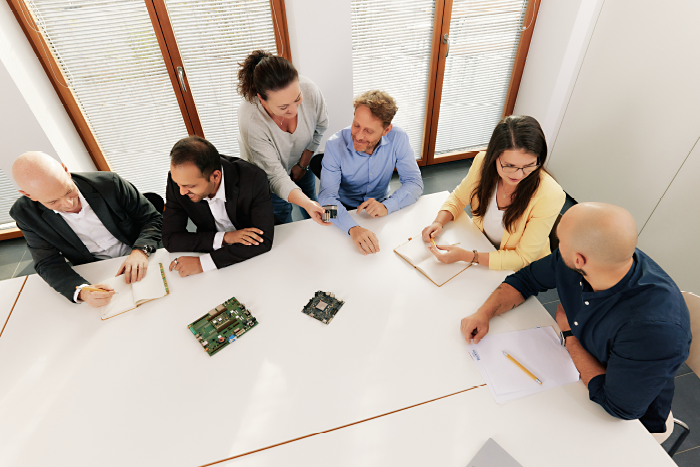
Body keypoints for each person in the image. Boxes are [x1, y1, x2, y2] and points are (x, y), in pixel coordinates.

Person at [460, 202, 691, 434]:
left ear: (579, 259)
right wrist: (484, 313)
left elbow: (619, 407)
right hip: (577, 374)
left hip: (624, 423)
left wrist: (570, 336)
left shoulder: (654, 330)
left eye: (560, 242)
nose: (557, 248)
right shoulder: (599, 258)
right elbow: (526, 280)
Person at [10, 151, 162, 306]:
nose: (69, 204)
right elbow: (47, 262)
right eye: (54, 202)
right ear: (29, 195)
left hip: (146, 256)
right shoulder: (25, 214)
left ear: (65, 170)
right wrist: (81, 291)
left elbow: (152, 219)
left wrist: (140, 250)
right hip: (95, 273)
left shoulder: (110, 183)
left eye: (69, 191)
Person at [422, 115, 565, 271]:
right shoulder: (482, 163)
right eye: (510, 165)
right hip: (482, 245)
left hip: (521, 269)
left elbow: (522, 257)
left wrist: (467, 256)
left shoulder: (550, 194)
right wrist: (439, 222)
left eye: (529, 165)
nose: (518, 175)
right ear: (494, 156)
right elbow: (458, 198)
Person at [318, 90, 423, 255]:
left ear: (386, 130)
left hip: (380, 206)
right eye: (356, 125)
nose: (358, 136)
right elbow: (326, 198)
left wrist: (387, 206)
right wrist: (352, 227)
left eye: (368, 131)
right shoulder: (334, 145)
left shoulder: (399, 138)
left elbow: (415, 183)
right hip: (343, 208)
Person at [237, 50, 329, 226]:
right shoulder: (251, 120)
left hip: (302, 160)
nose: (294, 110)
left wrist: (303, 164)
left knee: (310, 196)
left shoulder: (310, 90)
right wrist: (307, 204)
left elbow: (320, 126)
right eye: (283, 107)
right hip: (268, 173)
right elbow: (276, 177)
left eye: (297, 99)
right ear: (262, 101)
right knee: (282, 212)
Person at [162, 136, 274, 278]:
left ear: (215, 176)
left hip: (257, 260)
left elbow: (262, 241)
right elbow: (170, 239)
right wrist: (225, 238)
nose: (182, 192)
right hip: (214, 254)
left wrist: (202, 263)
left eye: (189, 186)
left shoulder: (253, 178)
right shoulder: (178, 183)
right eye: (178, 183)